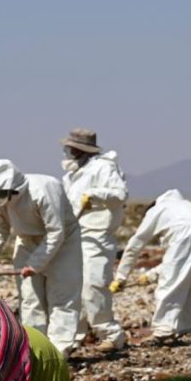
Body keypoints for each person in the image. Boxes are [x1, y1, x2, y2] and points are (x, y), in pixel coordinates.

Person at [0, 159, 82, 356]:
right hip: (26, 240)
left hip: (64, 242)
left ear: (16, 190)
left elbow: (56, 232)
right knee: (30, 298)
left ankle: (60, 351)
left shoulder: (44, 190)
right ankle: (35, 349)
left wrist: (36, 263)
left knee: (62, 296)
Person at [110, 189, 191, 343]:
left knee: (171, 283)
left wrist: (120, 277)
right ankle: (187, 326)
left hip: (186, 231)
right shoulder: (187, 205)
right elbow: (181, 263)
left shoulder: (157, 210)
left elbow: (135, 244)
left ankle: (163, 329)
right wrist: (150, 275)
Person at [60, 128, 128, 352]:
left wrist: (96, 194)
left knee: (94, 285)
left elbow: (120, 194)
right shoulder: (72, 174)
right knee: (75, 288)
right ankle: (73, 337)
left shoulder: (103, 167)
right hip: (76, 235)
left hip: (97, 235)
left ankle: (111, 334)